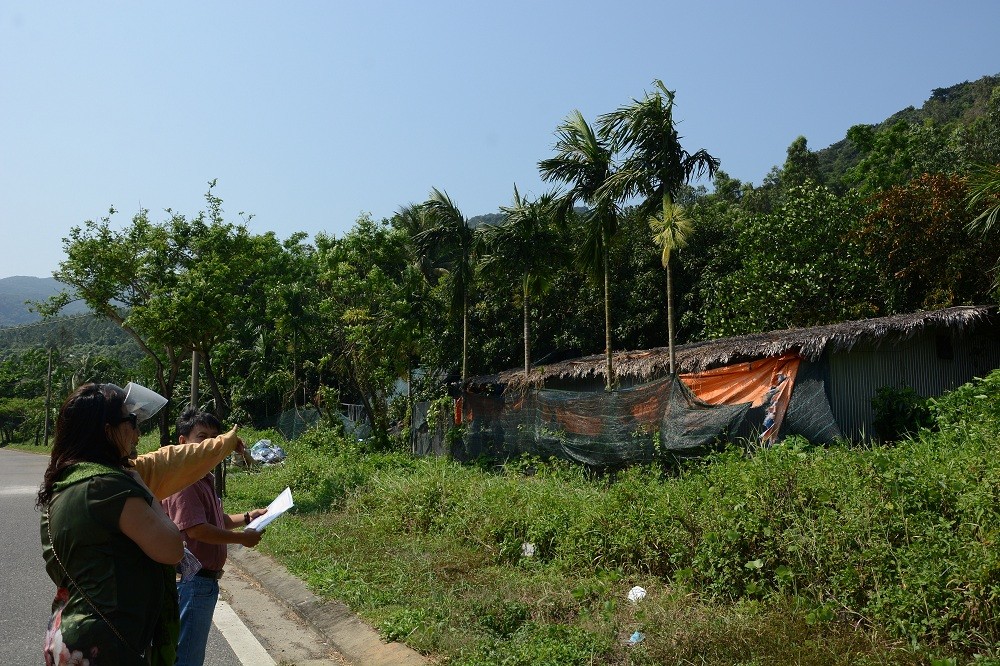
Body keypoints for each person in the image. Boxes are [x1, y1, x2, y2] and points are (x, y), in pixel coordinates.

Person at [38, 382, 185, 665]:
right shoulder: (107, 487)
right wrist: (142, 486)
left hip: (69, 632)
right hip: (105, 646)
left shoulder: (66, 483)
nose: (138, 434)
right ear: (108, 431)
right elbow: (172, 548)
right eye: (131, 422)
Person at [161, 408, 267, 666]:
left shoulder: (202, 477)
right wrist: (242, 539)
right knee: (186, 657)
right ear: (183, 442)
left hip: (200, 583)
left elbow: (215, 521)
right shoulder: (184, 480)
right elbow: (196, 529)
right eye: (202, 437)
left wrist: (246, 517)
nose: (210, 444)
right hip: (191, 582)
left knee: (188, 654)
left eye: (215, 437)